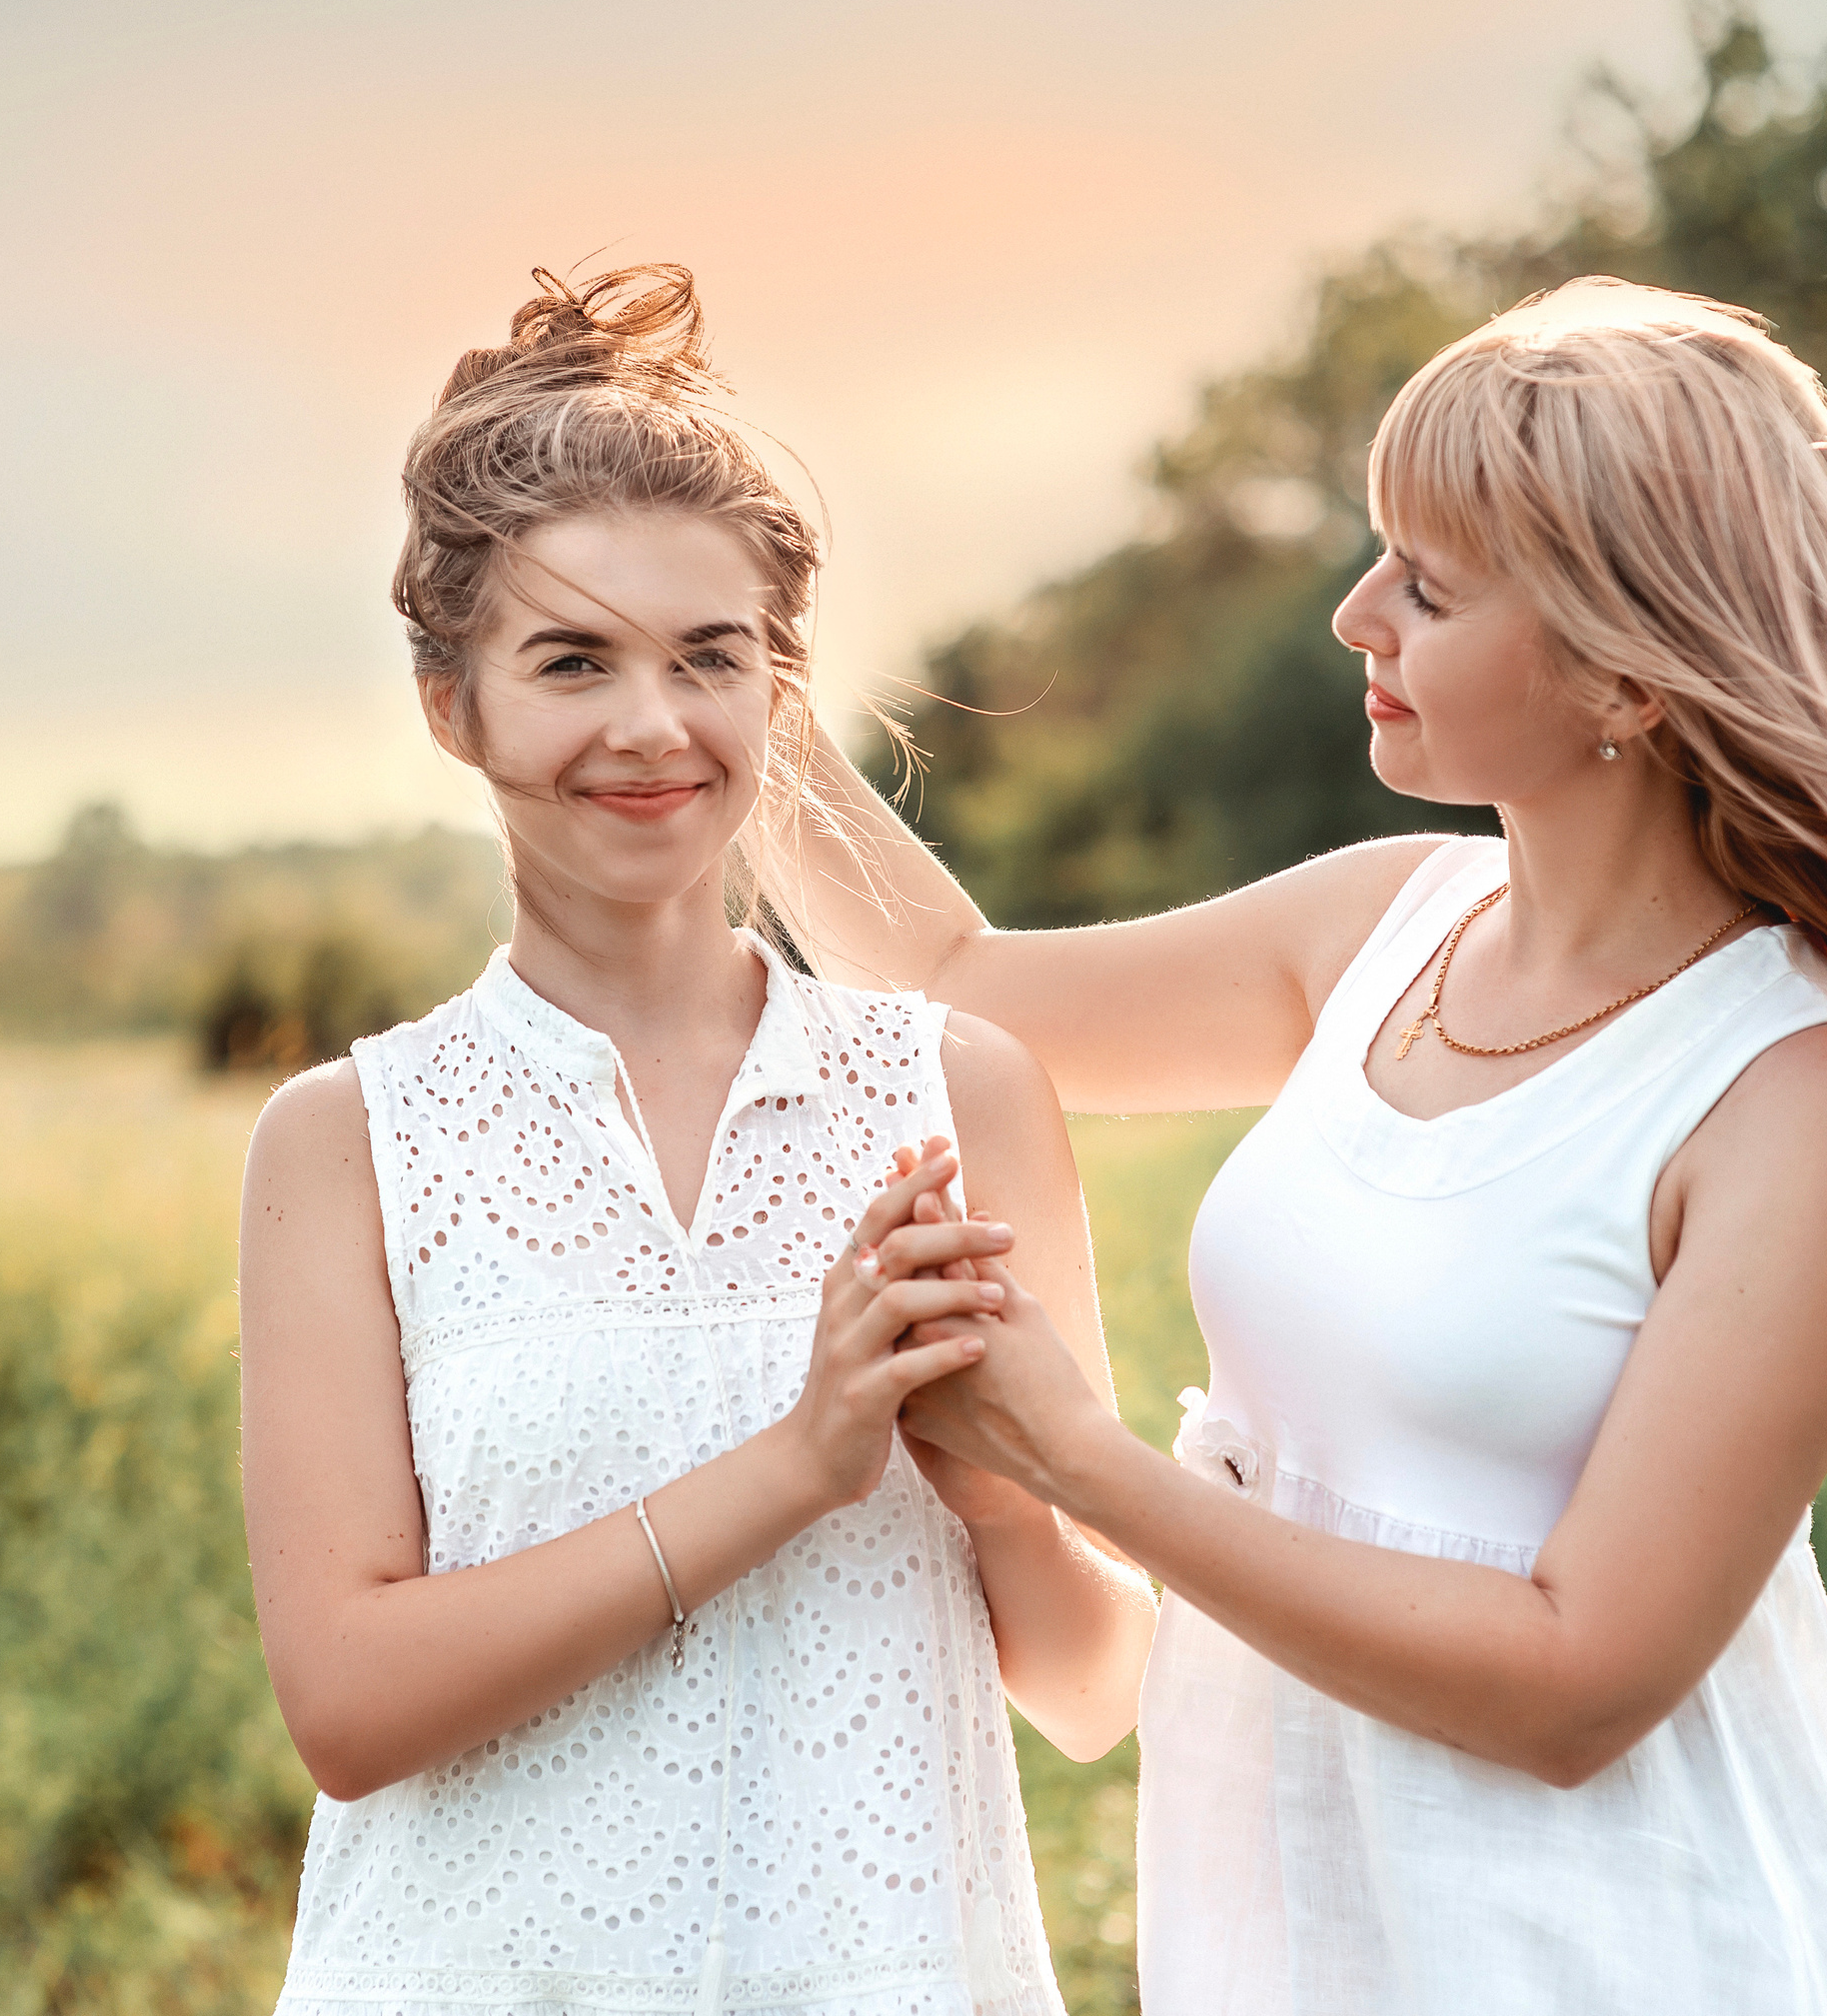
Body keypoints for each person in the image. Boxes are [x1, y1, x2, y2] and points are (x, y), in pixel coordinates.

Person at [777, 279, 1827, 2013]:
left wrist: (1075, 1460)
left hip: (1620, 1948)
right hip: (1296, 1924)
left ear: (1627, 673)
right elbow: (951, 985)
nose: (1357, 617)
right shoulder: (1382, 927)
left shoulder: (1804, 1090)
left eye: (1426, 586)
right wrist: (746, 690)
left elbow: (1580, 1682)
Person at [237, 265, 1154, 2016]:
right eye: (572, 661)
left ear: (777, 690)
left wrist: (1011, 1498)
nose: (651, 727)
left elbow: (1097, 1687)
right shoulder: (347, 1141)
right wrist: (799, 1465)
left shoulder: (959, 1092)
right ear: (457, 706)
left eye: (708, 658)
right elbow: (347, 1710)